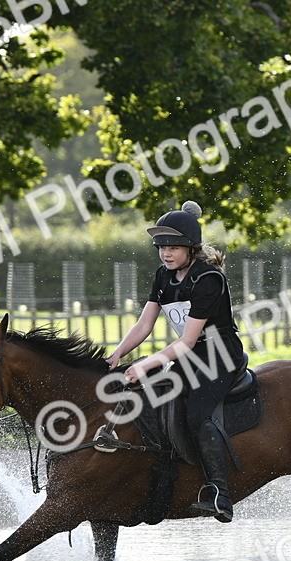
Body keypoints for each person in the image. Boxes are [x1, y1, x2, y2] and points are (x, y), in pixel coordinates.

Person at [106, 201, 245, 523]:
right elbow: (144, 325)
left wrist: (146, 364)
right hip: (192, 355)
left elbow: (188, 340)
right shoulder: (163, 276)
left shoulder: (208, 278)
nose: (165, 254)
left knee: (195, 413)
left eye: (173, 248)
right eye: (161, 248)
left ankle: (220, 494)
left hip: (219, 353)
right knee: (151, 400)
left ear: (190, 248)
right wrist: (117, 354)